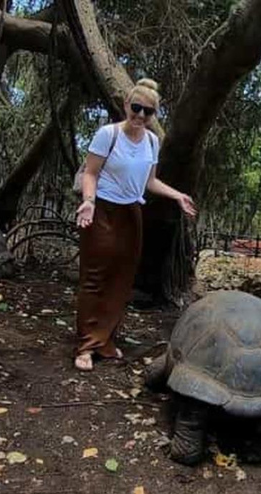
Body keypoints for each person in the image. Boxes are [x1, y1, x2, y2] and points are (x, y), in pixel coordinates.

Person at [74, 78, 196, 371]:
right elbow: (90, 173)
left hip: (132, 214)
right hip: (102, 209)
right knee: (95, 277)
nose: (141, 116)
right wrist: (88, 202)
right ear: (127, 105)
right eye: (137, 108)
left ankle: (105, 340)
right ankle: (86, 346)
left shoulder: (152, 141)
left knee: (121, 279)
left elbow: (149, 182)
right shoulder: (108, 135)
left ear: (154, 114)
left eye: (148, 111)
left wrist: (177, 195)